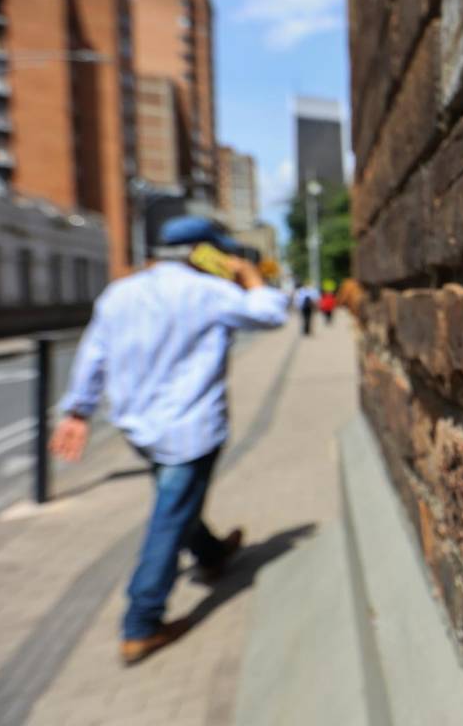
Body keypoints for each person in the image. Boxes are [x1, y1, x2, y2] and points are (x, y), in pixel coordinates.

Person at [49, 215, 289, 665]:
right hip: (190, 429)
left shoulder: (120, 293)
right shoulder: (209, 291)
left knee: (175, 499)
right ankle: (141, 623)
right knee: (169, 517)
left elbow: (93, 353)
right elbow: (273, 313)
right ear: (208, 252)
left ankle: (213, 554)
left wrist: (78, 410)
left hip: (140, 429)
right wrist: (250, 276)